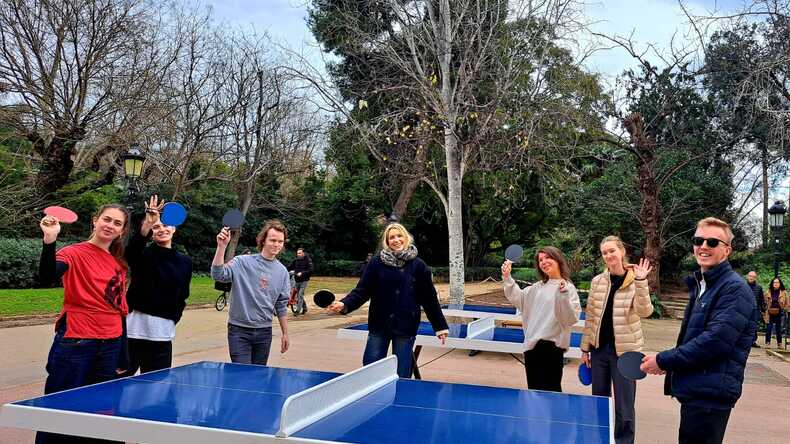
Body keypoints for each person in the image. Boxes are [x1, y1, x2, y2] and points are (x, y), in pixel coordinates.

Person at [640, 217, 756, 444]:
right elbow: (695, 337)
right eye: (698, 240)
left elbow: (715, 341)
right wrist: (670, 362)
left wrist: (664, 361)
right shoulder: (704, 285)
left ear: (727, 250)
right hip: (698, 392)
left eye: (712, 242)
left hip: (710, 396)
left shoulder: (734, 289)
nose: (703, 246)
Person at [37, 204, 130, 444]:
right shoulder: (73, 253)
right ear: (95, 220)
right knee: (61, 408)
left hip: (110, 345)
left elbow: (118, 308)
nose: (110, 225)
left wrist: (123, 354)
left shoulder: (118, 263)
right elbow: (47, 276)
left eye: (117, 223)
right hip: (77, 342)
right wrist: (50, 240)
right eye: (106, 219)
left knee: (101, 410)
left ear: (122, 231)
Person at [327, 223, 448, 378]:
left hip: (406, 325)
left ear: (406, 238)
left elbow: (429, 298)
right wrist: (345, 304)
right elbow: (362, 290)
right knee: (370, 371)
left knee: (401, 373)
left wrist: (440, 326)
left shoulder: (419, 265)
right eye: (392, 237)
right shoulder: (376, 263)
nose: (396, 240)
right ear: (387, 241)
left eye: (399, 236)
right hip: (379, 324)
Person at [580, 236, 653, 444]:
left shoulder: (635, 280)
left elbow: (645, 311)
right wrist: (585, 349)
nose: (608, 255)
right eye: (604, 253)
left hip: (626, 353)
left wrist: (641, 282)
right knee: (599, 402)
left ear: (622, 251)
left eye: (612, 250)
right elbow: (591, 318)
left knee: (624, 406)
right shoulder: (597, 281)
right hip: (599, 351)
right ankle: (601, 439)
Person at [122, 195, 192, 375]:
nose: (161, 229)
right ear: (151, 232)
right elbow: (131, 250)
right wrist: (148, 222)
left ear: (174, 228)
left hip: (162, 334)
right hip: (133, 331)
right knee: (119, 382)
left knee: (157, 385)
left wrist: (173, 317)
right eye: (156, 227)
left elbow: (183, 294)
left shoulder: (185, 261)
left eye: (165, 225)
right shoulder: (142, 255)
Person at [501, 246, 581, 392]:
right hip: (532, 347)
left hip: (553, 348)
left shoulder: (568, 288)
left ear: (558, 260)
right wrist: (507, 277)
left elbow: (570, 318)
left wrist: (563, 296)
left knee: (552, 392)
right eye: (540, 260)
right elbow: (518, 298)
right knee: (534, 393)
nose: (544, 262)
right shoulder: (536, 287)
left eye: (548, 257)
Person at [211, 220, 290, 365]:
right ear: (263, 240)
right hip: (239, 331)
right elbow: (218, 275)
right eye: (273, 240)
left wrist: (285, 333)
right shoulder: (242, 262)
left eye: (280, 241)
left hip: (264, 332)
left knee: (258, 375)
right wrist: (221, 247)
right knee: (241, 373)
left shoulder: (282, 272)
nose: (276, 244)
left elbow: (281, 305)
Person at [763, 276, 788, 348]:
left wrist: (785, 309)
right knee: (769, 328)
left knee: (778, 329)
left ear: (780, 284)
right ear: (772, 283)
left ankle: (779, 344)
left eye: (777, 282)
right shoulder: (768, 292)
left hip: (780, 313)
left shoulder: (784, 292)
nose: (776, 284)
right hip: (769, 313)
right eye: (774, 282)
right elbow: (764, 302)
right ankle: (767, 343)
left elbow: (787, 302)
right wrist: (764, 310)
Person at [288, 247, 314, 315]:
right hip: (297, 280)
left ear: (303, 253)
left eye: (299, 253)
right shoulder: (296, 260)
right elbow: (289, 267)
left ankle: (297, 311)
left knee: (300, 294)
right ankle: (304, 308)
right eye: (297, 253)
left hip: (304, 280)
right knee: (299, 295)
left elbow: (310, 270)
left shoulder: (308, 260)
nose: (298, 254)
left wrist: (302, 273)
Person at [746, 271, 765, 347]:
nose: (751, 278)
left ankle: (753, 341)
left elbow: (761, 299)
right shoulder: (743, 286)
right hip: (744, 308)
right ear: (747, 276)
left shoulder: (759, 288)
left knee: (753, 326)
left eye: (753, 276)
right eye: (750, 276)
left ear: (755, 278)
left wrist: (763, 309)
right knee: (744, 325)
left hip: (755, 309)